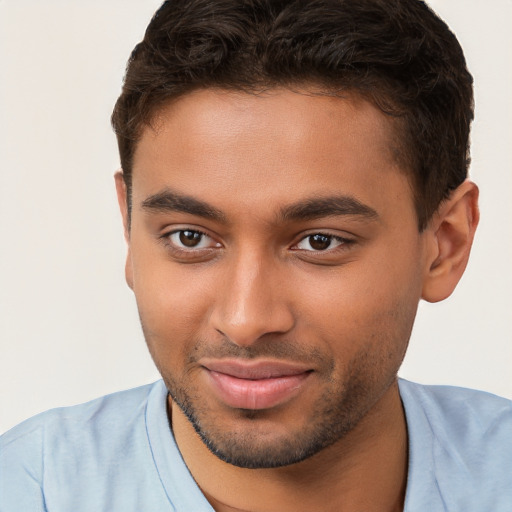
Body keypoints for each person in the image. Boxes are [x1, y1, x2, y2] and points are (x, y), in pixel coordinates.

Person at [1, 0, 510, 510]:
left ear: (446, 244)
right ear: (130, 229)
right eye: (190, 238)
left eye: (320, 242)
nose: (245, 321)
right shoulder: (28, 490)